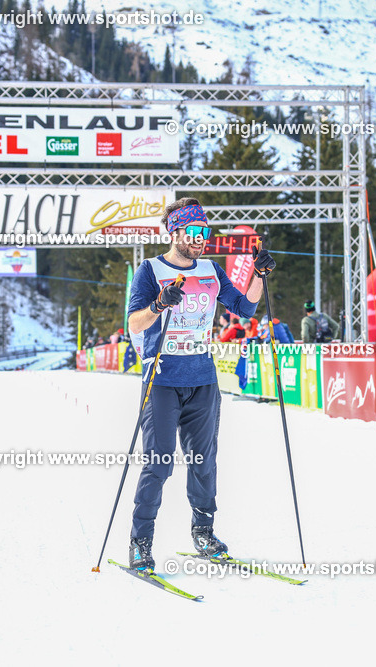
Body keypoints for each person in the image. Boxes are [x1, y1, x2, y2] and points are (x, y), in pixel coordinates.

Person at [125, 197, 276, 571]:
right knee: (159, 463)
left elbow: (244, 308)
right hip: (161, 380)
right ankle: (140, 541)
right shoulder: (150, 270)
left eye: (204, 232)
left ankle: (204, 533)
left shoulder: (210, 269)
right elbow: (134, 324)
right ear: (174, 232)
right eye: (193, 232)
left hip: (203, 381)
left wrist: (259, 275)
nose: (199, 239)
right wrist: (159, 304)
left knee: (204, 462)